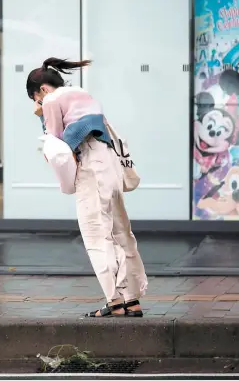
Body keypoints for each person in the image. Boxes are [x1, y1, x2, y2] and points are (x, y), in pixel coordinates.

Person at [27, 57, 148, 317]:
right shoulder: (83, 93)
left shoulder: (50, 100)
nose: (38, 102)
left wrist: (41, 115)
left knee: (96, 233)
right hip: (111, 164)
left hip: (90, 166)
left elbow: (57, 141)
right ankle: (132, 299)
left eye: (34, 98)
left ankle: (114, 302)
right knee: (121, 232)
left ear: (42, 90)